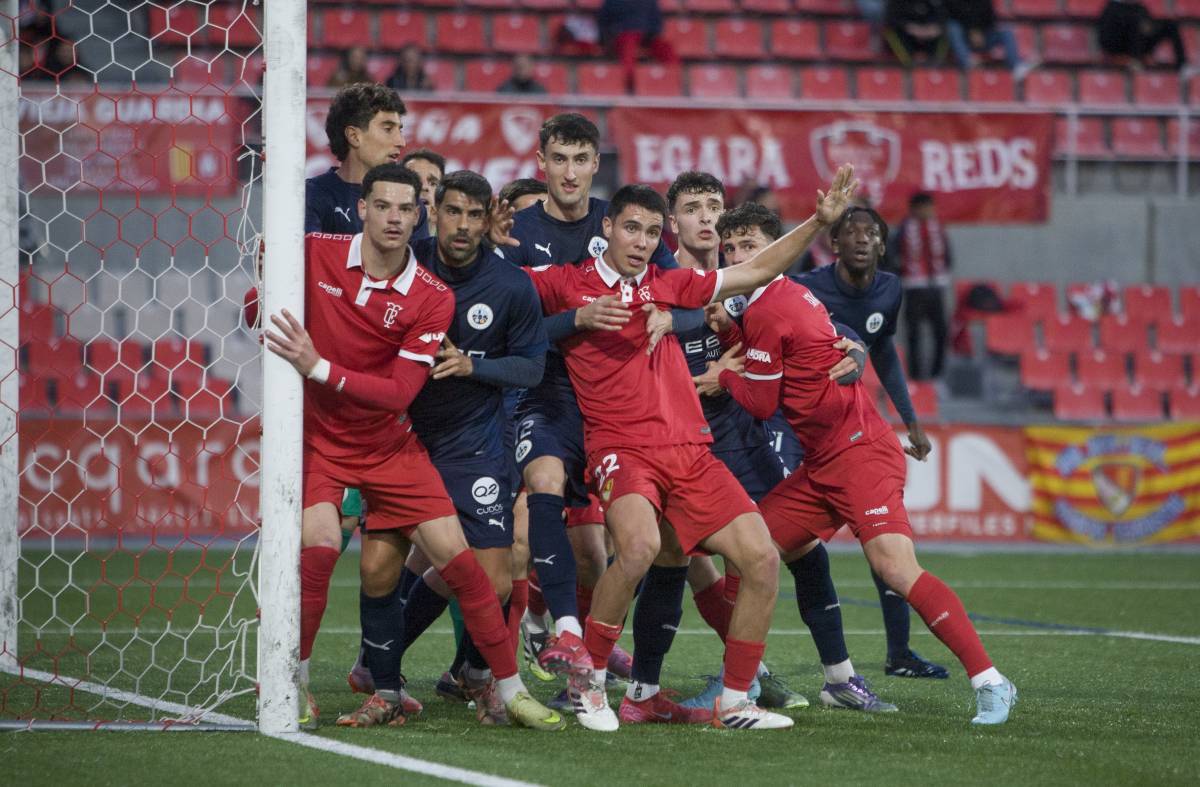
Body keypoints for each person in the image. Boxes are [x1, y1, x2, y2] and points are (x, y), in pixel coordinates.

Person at [522, 166, 861, 731]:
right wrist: (572, 319)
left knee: (759, 558)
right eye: (632, 228)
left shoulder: (668, 283)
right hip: (621, 449)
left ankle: (733, 701)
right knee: (637, 549)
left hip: (692, 450)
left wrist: (817, 224)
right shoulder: (564, 281)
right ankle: (591, 686)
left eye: (652, 232)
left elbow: (757, 268)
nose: (642, 242)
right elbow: (495, 306)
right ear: (607, 228)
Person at [260, 163, 563, 731]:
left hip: (434, 441)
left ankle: (500, 686)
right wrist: (264, 302)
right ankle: (309, 682)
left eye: (406, 208)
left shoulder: (439, 293)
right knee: (344, 559)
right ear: (364, 208)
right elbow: (264, 299)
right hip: (334, 438)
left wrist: (316, 364)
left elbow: (406, 387)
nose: (396, 217)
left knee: (481, 573)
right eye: (385, 206)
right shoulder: (318, 251)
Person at [694, 197, 1017, 726]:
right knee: (750, 550)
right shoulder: (771, 303)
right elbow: (794, 359)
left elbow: (761, 402)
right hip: (823, 465)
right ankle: (742, 686)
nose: (737, 256)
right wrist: (730, 335)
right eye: (730, 249)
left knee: (894, 568)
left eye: (750, 246)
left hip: (861, 454)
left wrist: (721, 376)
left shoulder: (773, 305)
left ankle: (990, 681)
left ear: (777, 251)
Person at [624, 174, 894, 721]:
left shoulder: (746, 279)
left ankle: (835, 677)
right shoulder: (659, 275)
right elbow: (644, 331)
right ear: (672, 222)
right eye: (693, 209)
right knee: (673, 558)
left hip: (743, 438)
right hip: (682, 444)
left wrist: (857, 349)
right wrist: (705, 364)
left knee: (798, 553)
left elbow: (820, 324)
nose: (706, 217)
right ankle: (664, 686)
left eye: (714, 206)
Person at [502, 113, 686, 686]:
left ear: (595, 164)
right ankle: (559, 634)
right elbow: (505, 323)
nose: (571, 172)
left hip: (608, 401)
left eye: (582, 160)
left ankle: (556, 635)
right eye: (560, 159)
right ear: (542, 162)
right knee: (532, 506)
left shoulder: (621, 223)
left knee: (595, 553)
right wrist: (574, 320)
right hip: (537, 390)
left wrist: (666, 313)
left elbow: (674, 291)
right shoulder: (516, 232)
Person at [378, 170, 549, 726]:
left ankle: (475, 672)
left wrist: (473, 364)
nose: (464, 225)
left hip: (472, 441)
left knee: (493, 575)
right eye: (454, 212)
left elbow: (532, 365)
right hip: (395, 435)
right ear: (434, 212)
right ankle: (378, 672)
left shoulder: (510, 285)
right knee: (381, 567)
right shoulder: (404, 263)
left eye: (476, 215)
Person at [769, 204, 950, 680]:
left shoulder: (891, 290)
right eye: (851, 231)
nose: (862, 239)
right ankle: (770, 665)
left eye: (872, 232)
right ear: (833, 244)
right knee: (778, 539)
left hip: (849, 428)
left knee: (881, 537)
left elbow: (884, 350)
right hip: (793, 424)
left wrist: (909, 419)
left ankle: (898, 653)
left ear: (884, 246)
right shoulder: (808, 289)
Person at [305, 83, 429, 241]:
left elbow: (417, 264)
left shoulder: (410, 201)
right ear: (354, 136)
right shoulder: (312, 196)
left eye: (400, 130)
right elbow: (311, 262)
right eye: (388, 129)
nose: (401, 142)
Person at [891, 193, 951, 381]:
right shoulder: (904, 229)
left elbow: (947, 253)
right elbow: (892, 255)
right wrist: (902, 272)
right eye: (925, 207)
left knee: (941, 332)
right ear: (915, 208)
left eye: (931, 207)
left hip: (936, 288)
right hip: (914, 289)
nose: (929, 211)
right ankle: (916, 377)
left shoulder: (938, 227)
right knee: (914, 334)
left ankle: (937, 375)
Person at [597, 0, 679, 92]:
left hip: (646, 37)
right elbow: (603, 21)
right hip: (624, 36)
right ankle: (630, 85)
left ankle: (673, 81)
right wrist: (608, 39)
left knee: (666, 48)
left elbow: (657, 22)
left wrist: (650, 34)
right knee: (629, 46)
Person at [945, 0, 1036, 79]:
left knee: (1006, 31)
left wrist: (980, 32)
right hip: (965, 39)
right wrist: (972, 30)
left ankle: (1016, 65)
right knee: (952, 27)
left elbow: (990, 18)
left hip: (984, 37)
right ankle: (967, 62)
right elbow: (954, 14)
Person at [1097, 0, 1188, 71]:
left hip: (1140, 47)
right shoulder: (1111, 9)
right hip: (1119, 48)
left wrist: (1148, 28)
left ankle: (1182, 65)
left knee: (1170, 25)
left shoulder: (1139, 7)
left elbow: (1148, 26)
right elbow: (1105, 39)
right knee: (1134, 21)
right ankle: (1135, 61)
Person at [883, 0, 949, 66]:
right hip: (905, 34)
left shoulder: (935, 2)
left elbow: (943, 16)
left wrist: (931, 28)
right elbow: (891, 19)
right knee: (890, 33)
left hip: (928, 34)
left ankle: (935, 62)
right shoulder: (897, 2)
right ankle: (908, 63)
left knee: (948, 30)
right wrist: (910, 27)